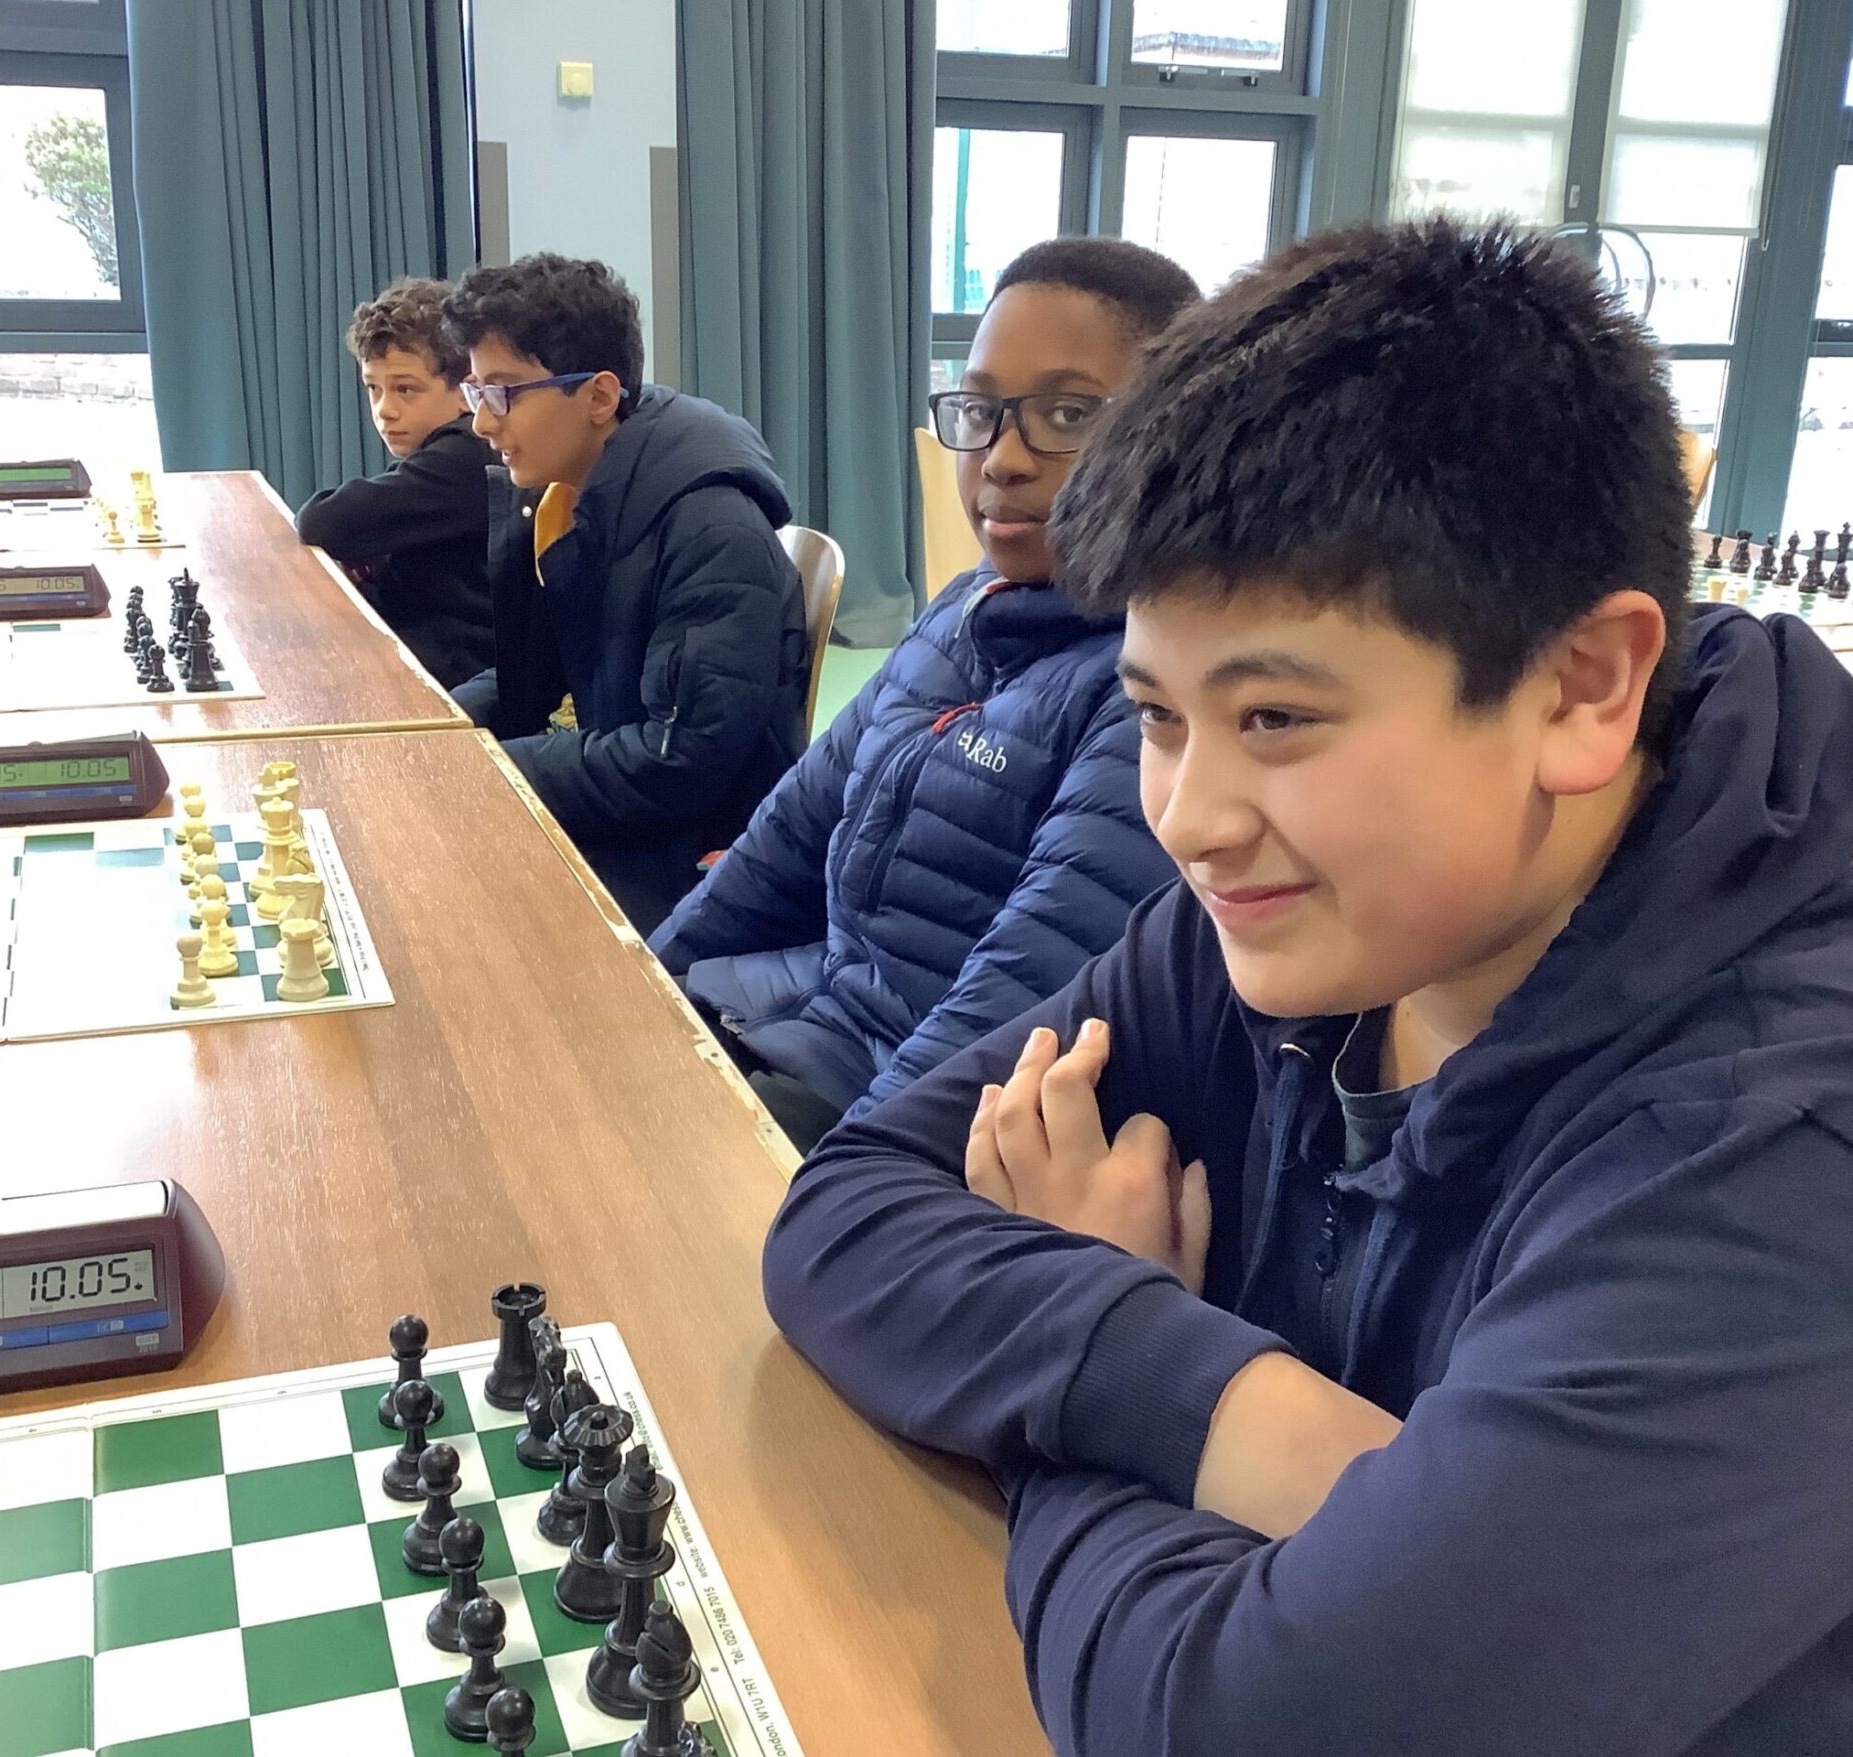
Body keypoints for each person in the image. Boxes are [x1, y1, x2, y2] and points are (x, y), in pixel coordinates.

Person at [762, 217, 1853, 1754]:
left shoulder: (1780, 1150)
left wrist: (1083, 1373)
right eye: (1156, 714)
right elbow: (850, 1203)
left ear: (1583, 686)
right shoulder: (1304, 919)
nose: (1191, 816)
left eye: (1274, 716)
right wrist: (1216, 1397)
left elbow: (1258, 1726)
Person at [650, 239, 1194, 1151]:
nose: (1003, 458)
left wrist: (842, 1188)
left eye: (1065, 413)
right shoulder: (961, 608)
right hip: (791, 1018)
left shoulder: (1157, 689)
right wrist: (641, 988)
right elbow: (787, 834)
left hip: (890, 1118)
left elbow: (1012, 1008)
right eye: (980, 411)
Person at [444, 255, 807, 932]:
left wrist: (488, 768)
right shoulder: (574, 495)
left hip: (703, 860)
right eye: (475, 392)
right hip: (638, 816)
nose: (482, 424)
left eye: (504, 392)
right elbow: (537, 671)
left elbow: (681, 761)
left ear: (601, 396)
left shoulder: (711, 527)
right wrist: (437, 723)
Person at [295, 277, 495, 687]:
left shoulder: (464, 457)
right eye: (373, 388)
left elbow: (323, 521)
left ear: (465, 393)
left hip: (453, 674)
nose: (385, 410)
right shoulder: (440, 450)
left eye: (406, 389)